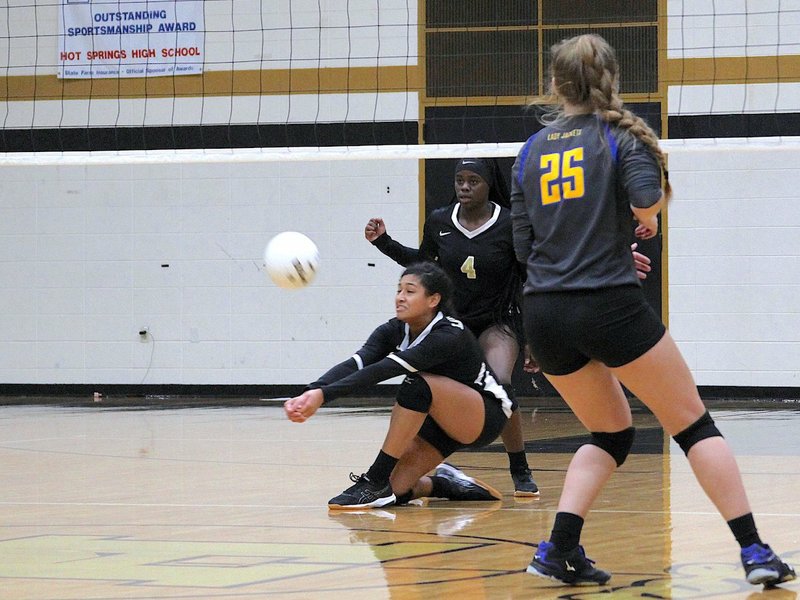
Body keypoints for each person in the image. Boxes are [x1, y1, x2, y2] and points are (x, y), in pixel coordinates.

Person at [510, 33, 796, 587]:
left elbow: (526, 249)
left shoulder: (528, 151)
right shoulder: (620, 137)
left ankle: (558, 548)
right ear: (612, 80)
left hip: (544, 314)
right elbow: (645, 202)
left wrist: (604, 248)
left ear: (555, 84)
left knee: (610, 432)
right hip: (608, 306)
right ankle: (755, 551)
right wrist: (644, 222)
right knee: (692, 424)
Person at [284, 261, 513, 510]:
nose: (400, 298)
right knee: (396, 493)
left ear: (433, 300)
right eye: (398, 290)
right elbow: (357, 364)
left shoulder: (448, 334)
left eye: (410, 291)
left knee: (416, 383)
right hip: (439, 421)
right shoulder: (393, 330)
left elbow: (385, 369)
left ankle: (374, 481)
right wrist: (312, 391)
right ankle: (444, 484)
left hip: (484, 415)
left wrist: (324, 396)